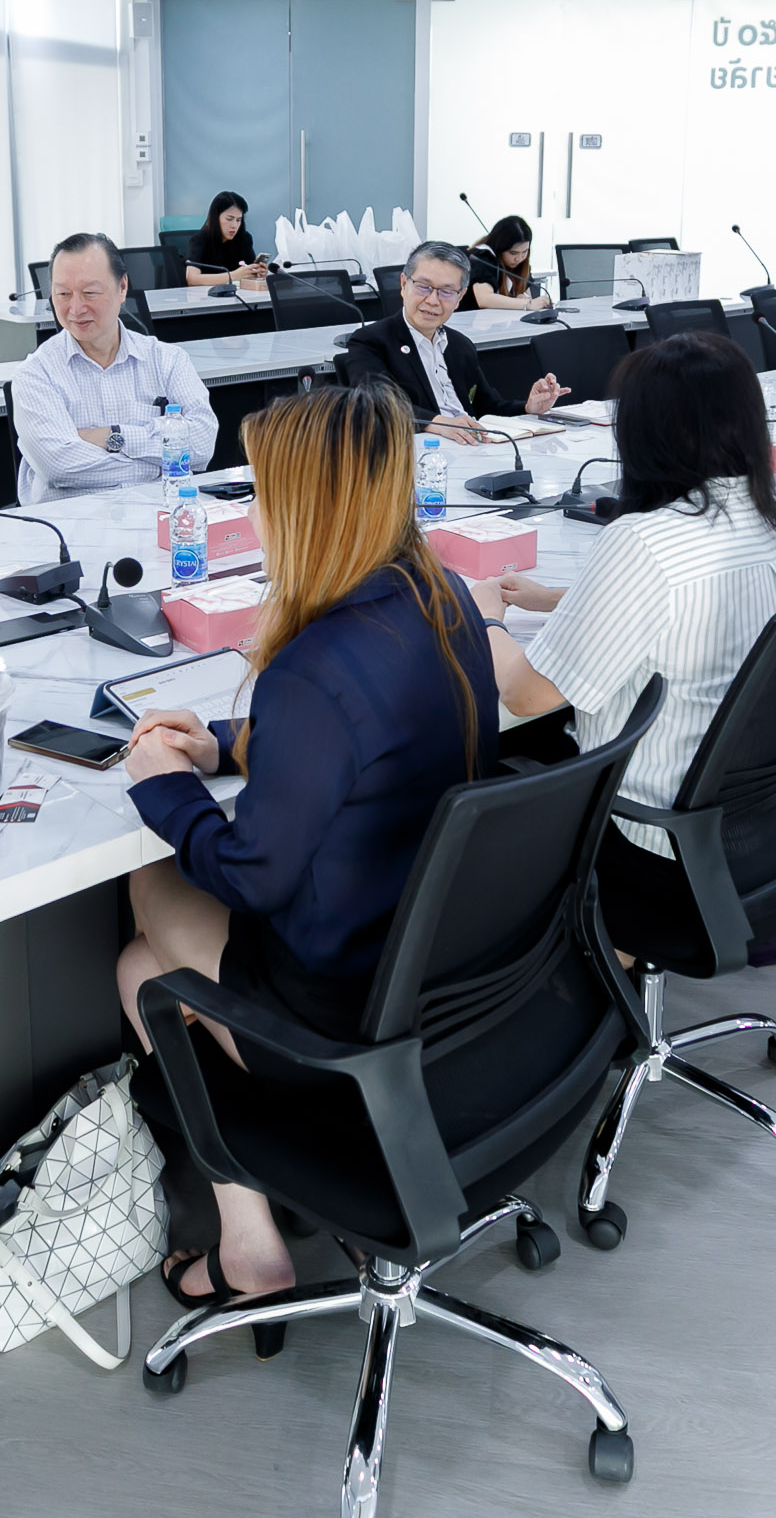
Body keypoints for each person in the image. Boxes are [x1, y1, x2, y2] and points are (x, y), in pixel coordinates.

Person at [116, 386, 498, 1320]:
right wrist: (226, 744)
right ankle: (268, 1216)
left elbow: (251, 876)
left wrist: (161, 786)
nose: (253, 513)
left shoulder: (313, 668)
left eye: (261, 493)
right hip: (449, 978)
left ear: (305, 509)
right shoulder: (441, 594)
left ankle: (250, 1242)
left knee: (145, 914)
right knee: (147, 968)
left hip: (342, 1010)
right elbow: (373, 739)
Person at [470, 331, 776, 948]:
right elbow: (682, 605)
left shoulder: (643, 541)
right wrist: (560, 599)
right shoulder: (769, 521)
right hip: (755, 824)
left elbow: (523, 695)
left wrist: (485, 617)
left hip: (649, 836)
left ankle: (583, 972)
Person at [11, 232, 218, 502]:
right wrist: (162, 462)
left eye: (89, 293)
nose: (75, 308)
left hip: (156, 514)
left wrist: (114, 436)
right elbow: (60, 466)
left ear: (122, 288)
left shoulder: (167, 360)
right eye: (63, 294)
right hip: (71, 522)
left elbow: (202, 445)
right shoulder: (36, 374)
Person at [337, 240, 568, 443]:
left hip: (470, 450)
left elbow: (487, 407)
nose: (432, 300)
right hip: (415, 455)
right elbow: (376, 403)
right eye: (423, 287)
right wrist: (439, 423)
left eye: (446, 292)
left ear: (460, 298)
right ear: (404, 284)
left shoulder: (460, 345)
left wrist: (527, 407)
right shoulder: (370, 341)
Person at [466, 214, 553, 311]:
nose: (519, 258)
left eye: (525, 251)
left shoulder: (520, 263)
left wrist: (522, 297)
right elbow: (484, 299)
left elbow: (527, 297)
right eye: (513, 253)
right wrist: (526, 304)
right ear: (499, 248)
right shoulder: (482, 258)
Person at [185, 190, 267, 288]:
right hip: (206, 295)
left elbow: (248, 273)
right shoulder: (200, 239)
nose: (234, 225)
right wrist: (233, 276)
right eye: (229, 219)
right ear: (216, 217)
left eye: (238, 220)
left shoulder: (244, 238)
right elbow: (192, 279)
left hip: (238, 293)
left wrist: (257, 272)